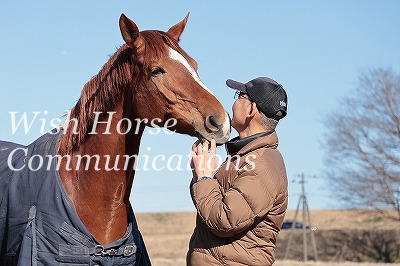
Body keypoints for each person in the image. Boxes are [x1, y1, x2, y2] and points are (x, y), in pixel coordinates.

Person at [187, 77, 288, 266]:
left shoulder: (262, 165)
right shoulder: (245, 157)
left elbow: (225, 220)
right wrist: (199, 174)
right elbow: (209, 209)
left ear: (251, 109)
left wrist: (205, 178)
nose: (233, 102)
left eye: (239, 95)